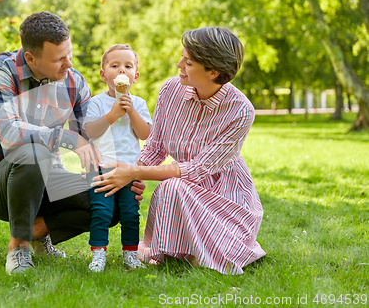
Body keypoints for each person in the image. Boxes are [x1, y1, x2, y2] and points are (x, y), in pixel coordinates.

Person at [0, 12, 145, 274]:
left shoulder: (73, 81)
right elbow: (8, 131)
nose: (69, 64)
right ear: (31, 58)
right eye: (59, 59)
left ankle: (38, 231)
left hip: (51, 182)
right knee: (34, 150)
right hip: (1, 183)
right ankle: (18, 247)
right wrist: (66, 137)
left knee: (114, 198)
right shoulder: (0, 71)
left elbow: (91, 138)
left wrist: (126, 174)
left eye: (69, 54)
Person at [91, 26, 266, 275]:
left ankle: (201, 250)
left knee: (172, 186)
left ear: (213, 72)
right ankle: (179, 252)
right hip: (180, 184)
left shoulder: (241, 111)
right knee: (172, 187)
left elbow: (198, 169)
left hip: (224, 195)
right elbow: (156, 145)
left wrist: (134, 171)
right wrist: (135, 177)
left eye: (188, 61)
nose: (178, 64)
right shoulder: (171, 90)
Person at [83, 44, 152, 272]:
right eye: (115, 66)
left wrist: (131, 111)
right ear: (104, 75)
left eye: (127, 66)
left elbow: (144, 134)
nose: (122, 70)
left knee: (130, 214)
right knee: (101, 212)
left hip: (129, 169)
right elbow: (91, 132)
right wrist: (113, 114)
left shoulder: (139, 104)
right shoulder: (97, 103)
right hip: (101, 168)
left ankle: (130, 255)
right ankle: (98, 254)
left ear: (135, 76)